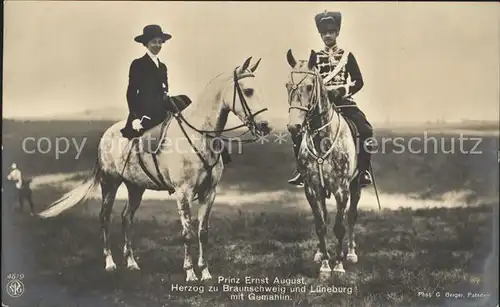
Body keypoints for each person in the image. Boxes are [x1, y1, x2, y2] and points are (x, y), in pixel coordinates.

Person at [120, 24, 232, 163]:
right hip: (145, 108)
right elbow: (131, 92)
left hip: (161, 103)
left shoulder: (162, 66)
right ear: (146, 43)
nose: (157, 45)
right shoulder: (138, 64)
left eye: (160, 42)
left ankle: (215, 145)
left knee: (185, 102)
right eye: (153, 42)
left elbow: (164, 88)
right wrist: (135, 118)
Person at [288, 10, 375, 187]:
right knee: (298, 132)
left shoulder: (346, 56)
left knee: (366, 131)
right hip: (320, 105)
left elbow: (359, 81)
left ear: (337, 33)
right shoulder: (315, 58)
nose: (328, 36)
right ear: (320, 35)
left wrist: (342, 90)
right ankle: (301, 170)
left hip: (344, 102)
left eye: (331, 32)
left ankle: (363, 172)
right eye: (324, 33)